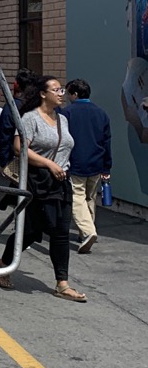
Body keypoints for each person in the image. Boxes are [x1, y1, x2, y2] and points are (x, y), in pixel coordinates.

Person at [0, 75, 86, 301]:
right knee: (31, 231)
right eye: (55, 90)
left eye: (62, 89)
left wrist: (61, 167)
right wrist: (49, 163)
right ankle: (3, 264)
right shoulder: (30, 118)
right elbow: (19, 148)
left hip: (61, 184)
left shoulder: (62, 119)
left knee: (61, 232)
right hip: (38, 183)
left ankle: (62, 284)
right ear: (43, 94)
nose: (61, 93)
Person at [64, 78, 112, 254]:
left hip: (76, 162)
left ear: (75, 94)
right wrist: (107, 167)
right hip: (96, 163)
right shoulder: (101, 113)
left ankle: (88, 231)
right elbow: (107, 141)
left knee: (77, 197)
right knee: (90, 197)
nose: (67, 96)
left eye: (68, 93)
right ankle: (86, 231)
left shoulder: (67, 113)